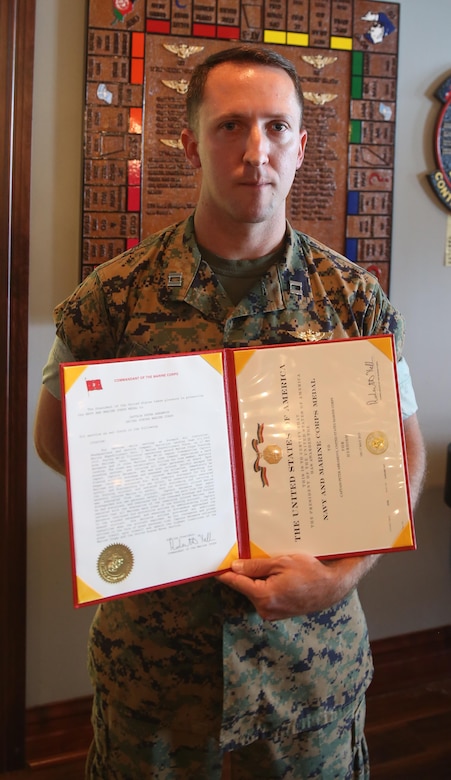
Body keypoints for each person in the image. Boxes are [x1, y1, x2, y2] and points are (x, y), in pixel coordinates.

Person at [34, 46, 426, 779]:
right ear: (189, 143)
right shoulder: (111, 297)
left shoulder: (353, 300)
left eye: (277, 127)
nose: (256, 152)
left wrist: (343, 576)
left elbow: (401, 454)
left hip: (307, 680)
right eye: (230, 127)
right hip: (154, 683)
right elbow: (54, 439)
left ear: (301, 145)